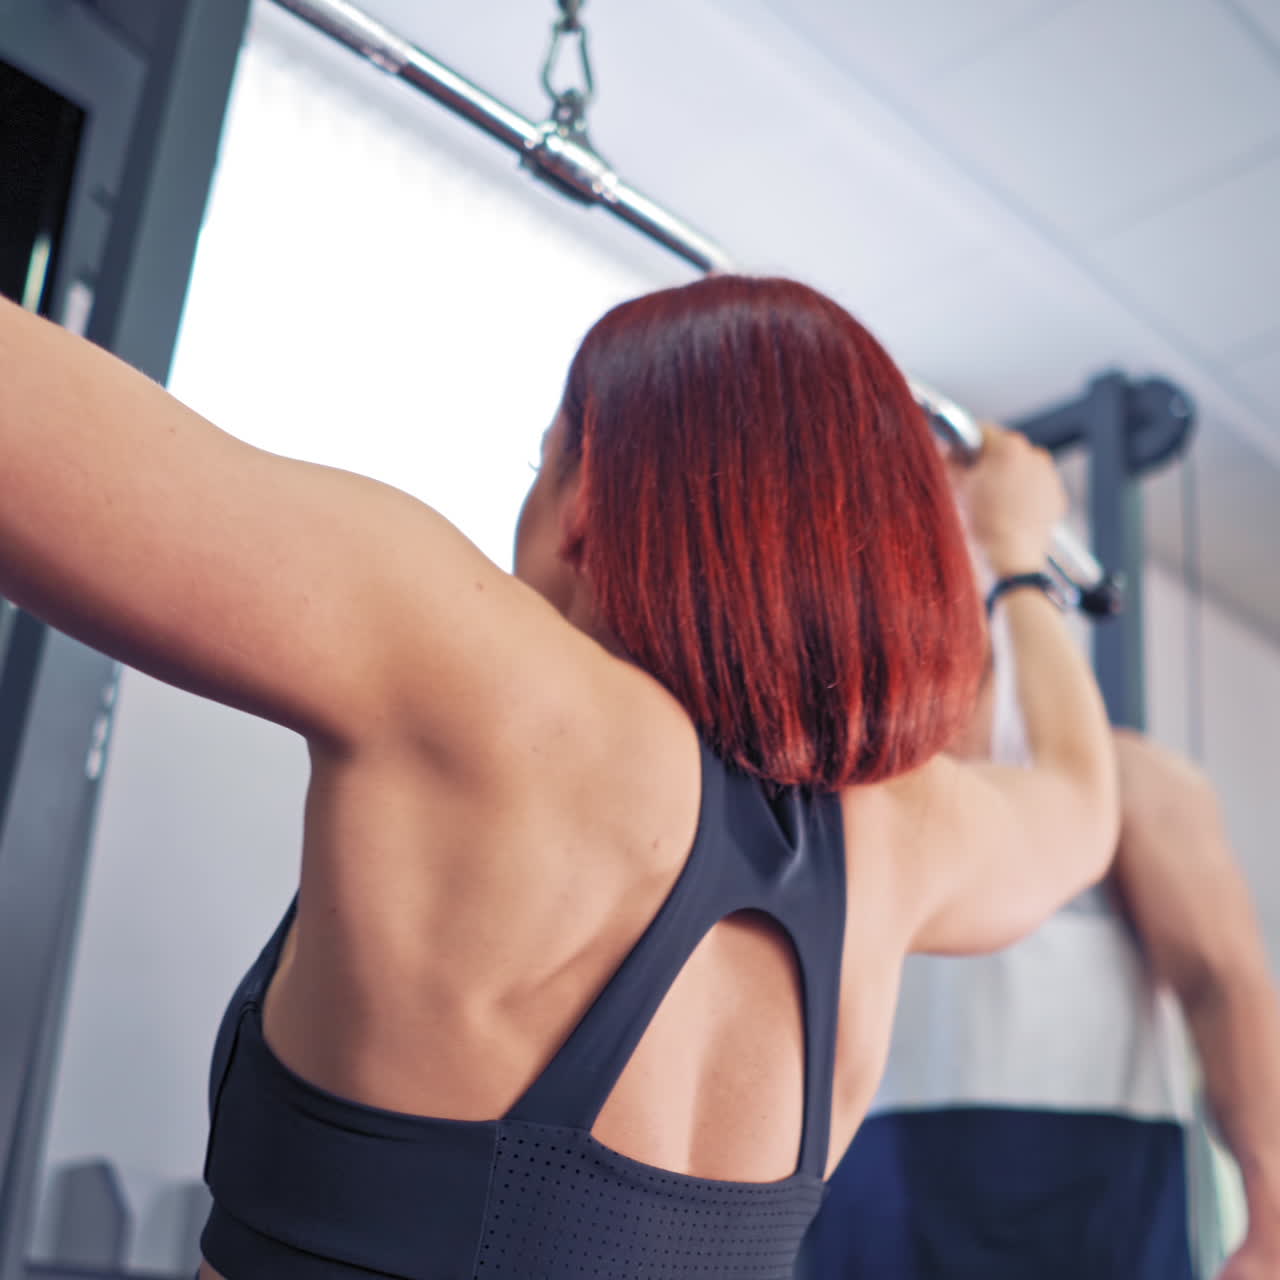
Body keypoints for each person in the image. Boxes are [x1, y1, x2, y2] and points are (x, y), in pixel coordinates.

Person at [0, 275, 1118, 1279]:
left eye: (538, 465)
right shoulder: (904, 840)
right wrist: (1016, 557)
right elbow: (1081, 800)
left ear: (586, 499)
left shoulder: (477, 676)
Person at [799, 530, 1280, 1279]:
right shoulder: (837, 800)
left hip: (1093, 1224)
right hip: (878, 1217)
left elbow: (1225, 987)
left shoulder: (1130, 786)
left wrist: (1271, 1215)